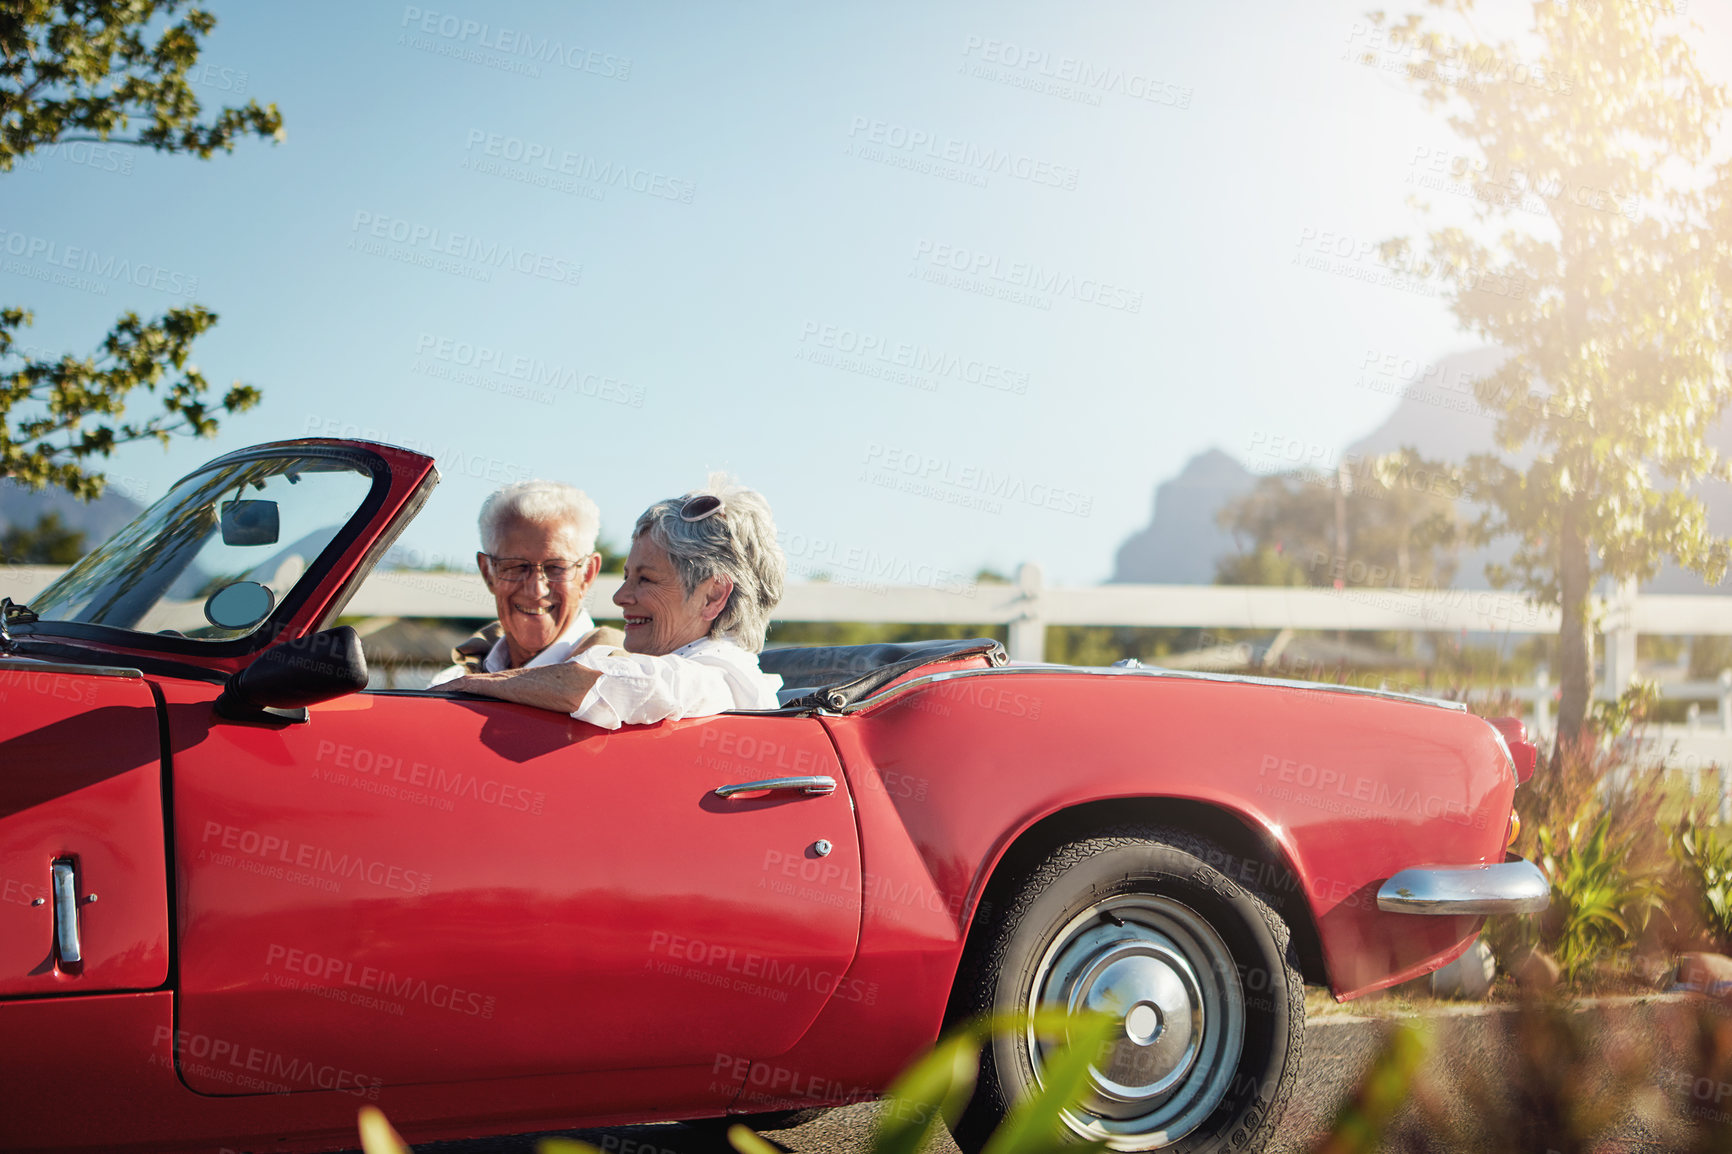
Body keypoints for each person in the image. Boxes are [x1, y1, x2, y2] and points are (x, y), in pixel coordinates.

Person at [442, 476, 784, 728]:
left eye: (645, 579)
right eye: (626, 577)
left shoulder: (723, 676)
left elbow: (605, 682)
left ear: (713, 595)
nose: (621, 597)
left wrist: (461, 687)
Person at [427, 481, 621, 688]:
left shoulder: (623, 682)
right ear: (487, 572)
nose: (536, 589)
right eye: (516, 566)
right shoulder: (446, 684)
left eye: (556, 567)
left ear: (587, 574)